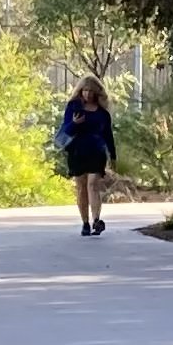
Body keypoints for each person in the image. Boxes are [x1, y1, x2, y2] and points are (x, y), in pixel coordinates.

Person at [59, 79, 117, 236]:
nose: (88, 94)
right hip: (77, 152)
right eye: (85, 90)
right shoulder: (73, 108)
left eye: (91, 91)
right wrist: (74, 123)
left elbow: (108, 135)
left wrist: (112, 155)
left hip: (96, 152)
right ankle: (85, 223)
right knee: (81, 188)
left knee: (93, 185)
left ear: (97, 93)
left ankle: (96, 220)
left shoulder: (102, 114)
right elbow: (66, 131)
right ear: (80, 91)